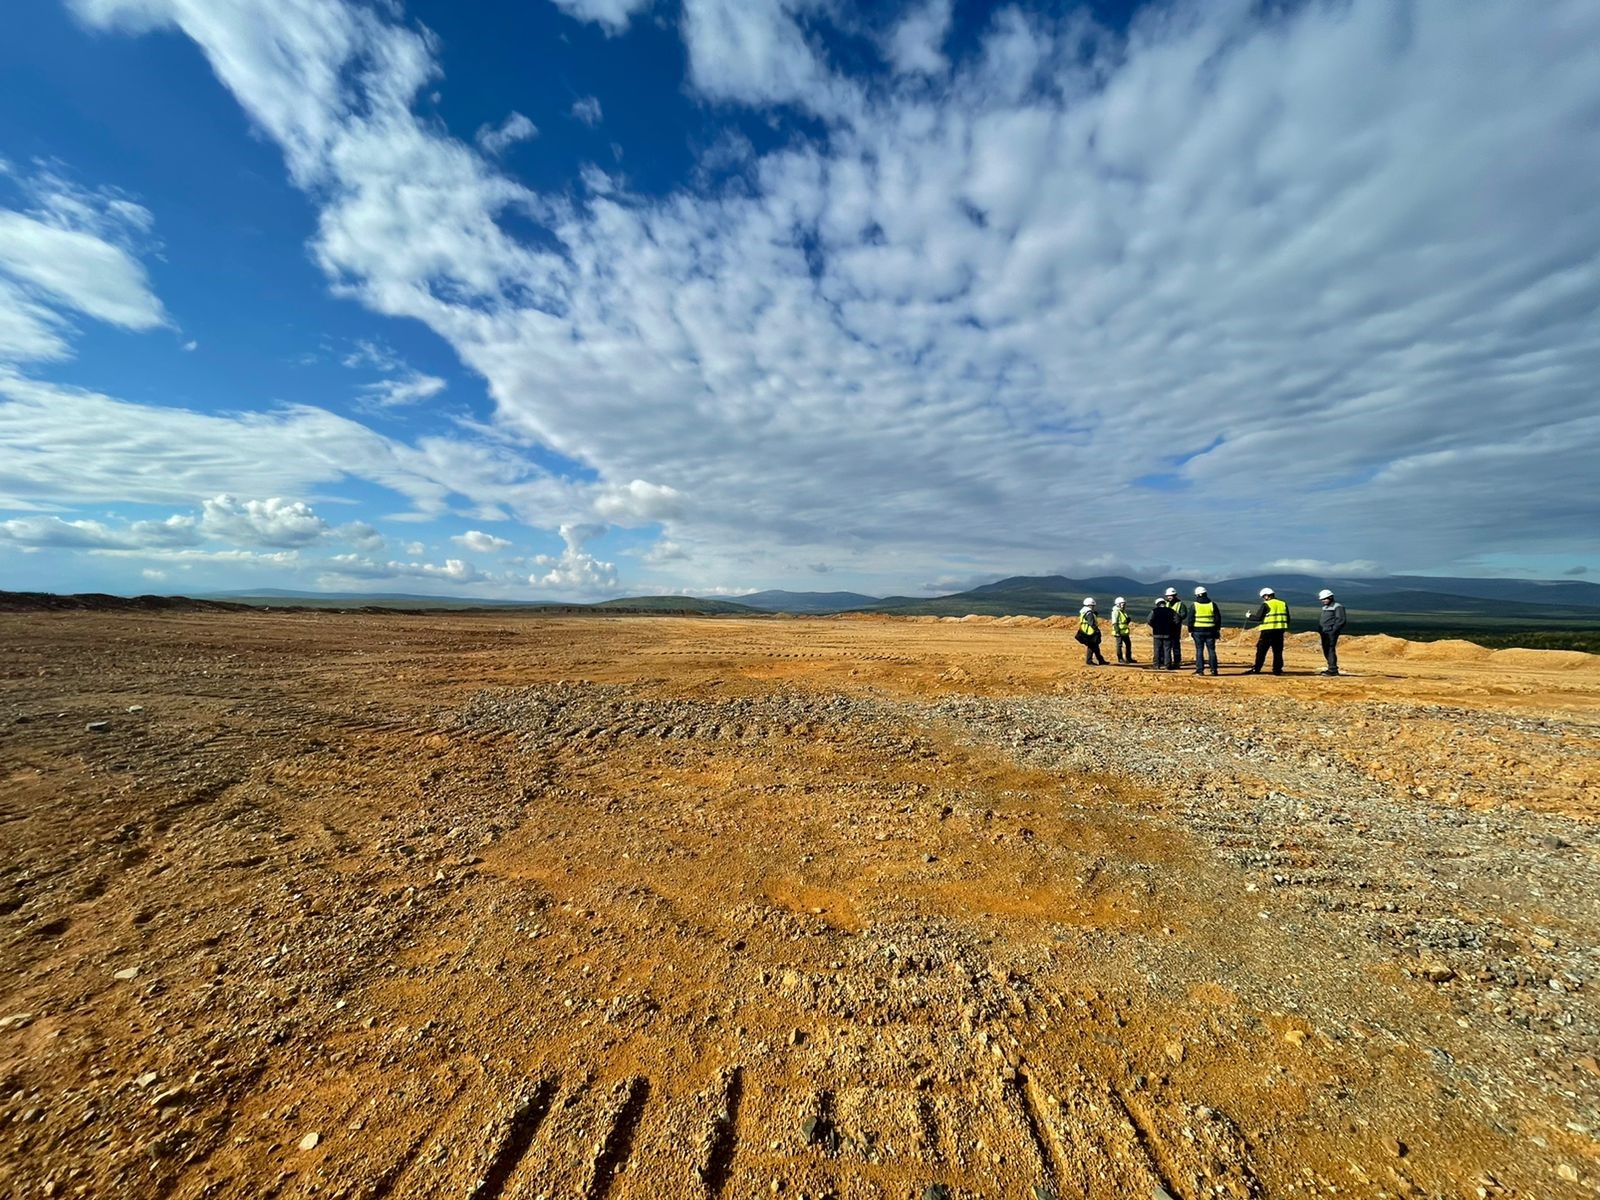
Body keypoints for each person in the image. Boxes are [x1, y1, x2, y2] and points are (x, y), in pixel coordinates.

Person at [1243, 586, 1291, 675]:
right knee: (1277, 651)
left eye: (1263, 597)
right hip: (1279, 631)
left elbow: (1258, 617)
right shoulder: (1283, 603)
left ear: (1266, 596)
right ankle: (1277, 670)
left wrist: (1249, 616)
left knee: (1261, 651)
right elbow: (1288, 618)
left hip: (1267, 632)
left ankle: (1257, 669)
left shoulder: (1266, 604)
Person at [1187, 585, 1221, 676]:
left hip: (1198, 631)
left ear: (1197, 595)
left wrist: (1190, 630)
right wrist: (1217, 630)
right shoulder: (1212, 604)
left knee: (1199, 650)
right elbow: (1218, 618)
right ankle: (1214, 670)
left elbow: (1190, 619)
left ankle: (1200, 670)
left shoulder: (1194, 605)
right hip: (1211, 631)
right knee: (1211, 650)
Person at [1317, 588, 1347, 675]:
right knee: (1326, 649)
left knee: (1330, 650)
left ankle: (1333, 669)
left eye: (1325, 599)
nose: (1323, 601)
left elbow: (1341, 620)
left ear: (1330, 597)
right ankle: (1331, 668)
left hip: (1330, 632)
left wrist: (1333, 630)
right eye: (1322, 599)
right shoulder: (1326, 607)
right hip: (1324, 632)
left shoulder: (1338, 607)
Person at [1147, 597, 1180, 670]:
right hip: (1168, 633)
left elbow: (1149, 620)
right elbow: (1177, 620)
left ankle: (1156, 665)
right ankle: (1167, 665)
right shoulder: (1171, 611)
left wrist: (1154, 626)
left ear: (1157, 604)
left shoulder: (1154, 611)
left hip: (1157, 633)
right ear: (1164, 603)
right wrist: (1171, 627)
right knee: (1167, 649)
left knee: (1157, 649)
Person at [1163, 587, 1189, 669]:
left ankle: (1177, 662)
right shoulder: (1166, 604)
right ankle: (1167, 662)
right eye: (1168, 596)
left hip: (1176, 628)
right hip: (1167, 627)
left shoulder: (1180, 604)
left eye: (1170, 596)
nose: (1169, 597)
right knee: (1167, 646)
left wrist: (1177, 618)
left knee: (1175, 645)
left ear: (1175, 595)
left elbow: (1184, 614)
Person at [1077, 597, 1109, 665]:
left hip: (1085, 631)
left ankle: (1101, 660)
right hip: (1090, 632)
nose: (1093, 607)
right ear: (1090, 605)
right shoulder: (1089, 613)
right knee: (1092, 646)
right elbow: (1091, 622)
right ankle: (1089, 661)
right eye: (1093, 606)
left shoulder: (1084, 611)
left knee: (1095, 646)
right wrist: (1096, 630)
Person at [1111, 596, 1135, 663]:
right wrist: (1117, 631)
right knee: (1119, 645)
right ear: (1118, 604)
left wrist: (1127, 620)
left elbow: (1123, 621)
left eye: (1124, 604)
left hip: (1124, 631)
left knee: (1128, 644)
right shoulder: (1116, 611)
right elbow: (1114, 622)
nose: (1124, 605)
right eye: (1122, 604)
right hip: (1119, 631)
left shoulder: (1122, 611)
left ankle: (1128, 658)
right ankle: (1120, 659)